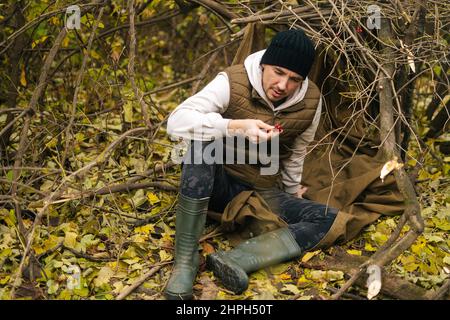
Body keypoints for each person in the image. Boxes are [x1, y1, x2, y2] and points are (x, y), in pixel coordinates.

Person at [164, 29, 339, 300]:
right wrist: (234, 125)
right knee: (201, 145)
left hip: (262, 191)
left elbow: (296, 152)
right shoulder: (232, 81)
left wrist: (292, 193)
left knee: (328, 218)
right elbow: (176, 122)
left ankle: (238, 259)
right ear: (264, 65)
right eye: (278, 72)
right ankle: (185, 263)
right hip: (218, 185)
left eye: (294, 79)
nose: (283, 85)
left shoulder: (310, 100)